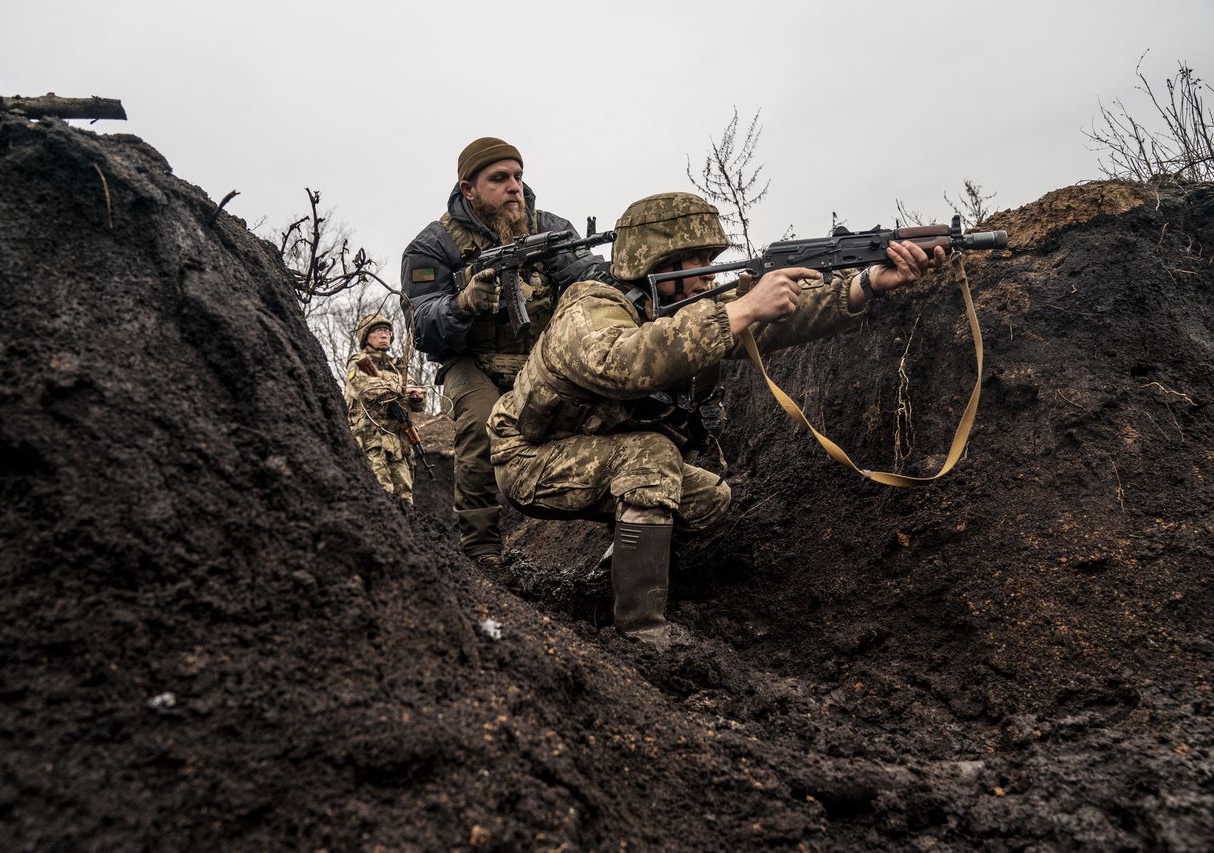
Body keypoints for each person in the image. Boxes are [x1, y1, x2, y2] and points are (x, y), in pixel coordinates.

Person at [487, 192, 945, 645]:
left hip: (601, 452)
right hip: (529, 457)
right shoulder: (589, 306)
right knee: (650, 454)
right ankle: (641, 630)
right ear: (654, 263)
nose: (706, 274)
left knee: (709, 499)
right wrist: (741, 309)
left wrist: (867, 283)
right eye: (694, 259)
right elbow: (621, 360)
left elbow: (781, 319)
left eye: (711, 257)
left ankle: (602, 590)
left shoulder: (687, 309)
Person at [401, 137, 599, 570]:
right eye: (499, 178)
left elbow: (591, 282)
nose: (514, 187)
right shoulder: (432, 245)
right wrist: (462, 303)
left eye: (518, 176)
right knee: (479, 425)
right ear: (468, 189)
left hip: (543, 357)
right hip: (470, 361)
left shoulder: (550, 228)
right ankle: (481, 553)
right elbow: (420, 325)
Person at [343, 313, 427, 505]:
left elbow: (418, 404)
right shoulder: (358, 362)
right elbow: (368, 390)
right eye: (378, 331)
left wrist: (417, 397)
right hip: (371, 443)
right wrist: (402, 390)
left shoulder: (398, 368)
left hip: (398, 445)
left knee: (405, 499)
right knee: (380, 497)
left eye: (387, 331)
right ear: (366, 337)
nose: (384, 335)